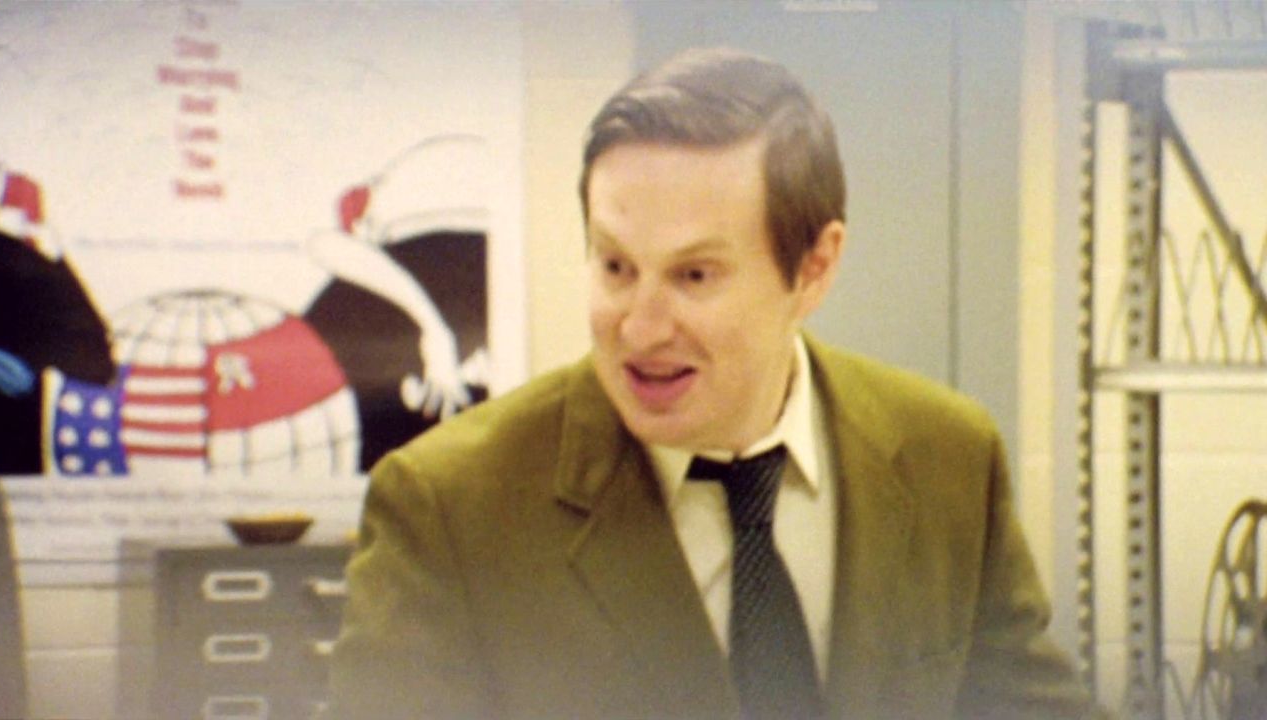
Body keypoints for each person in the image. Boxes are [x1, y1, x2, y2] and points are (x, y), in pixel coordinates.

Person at [328, 47, 1104, 720]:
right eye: (616, 266)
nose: (640, 330)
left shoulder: (947, 457)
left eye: (694, 275)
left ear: (815, 268)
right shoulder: (451, 511)